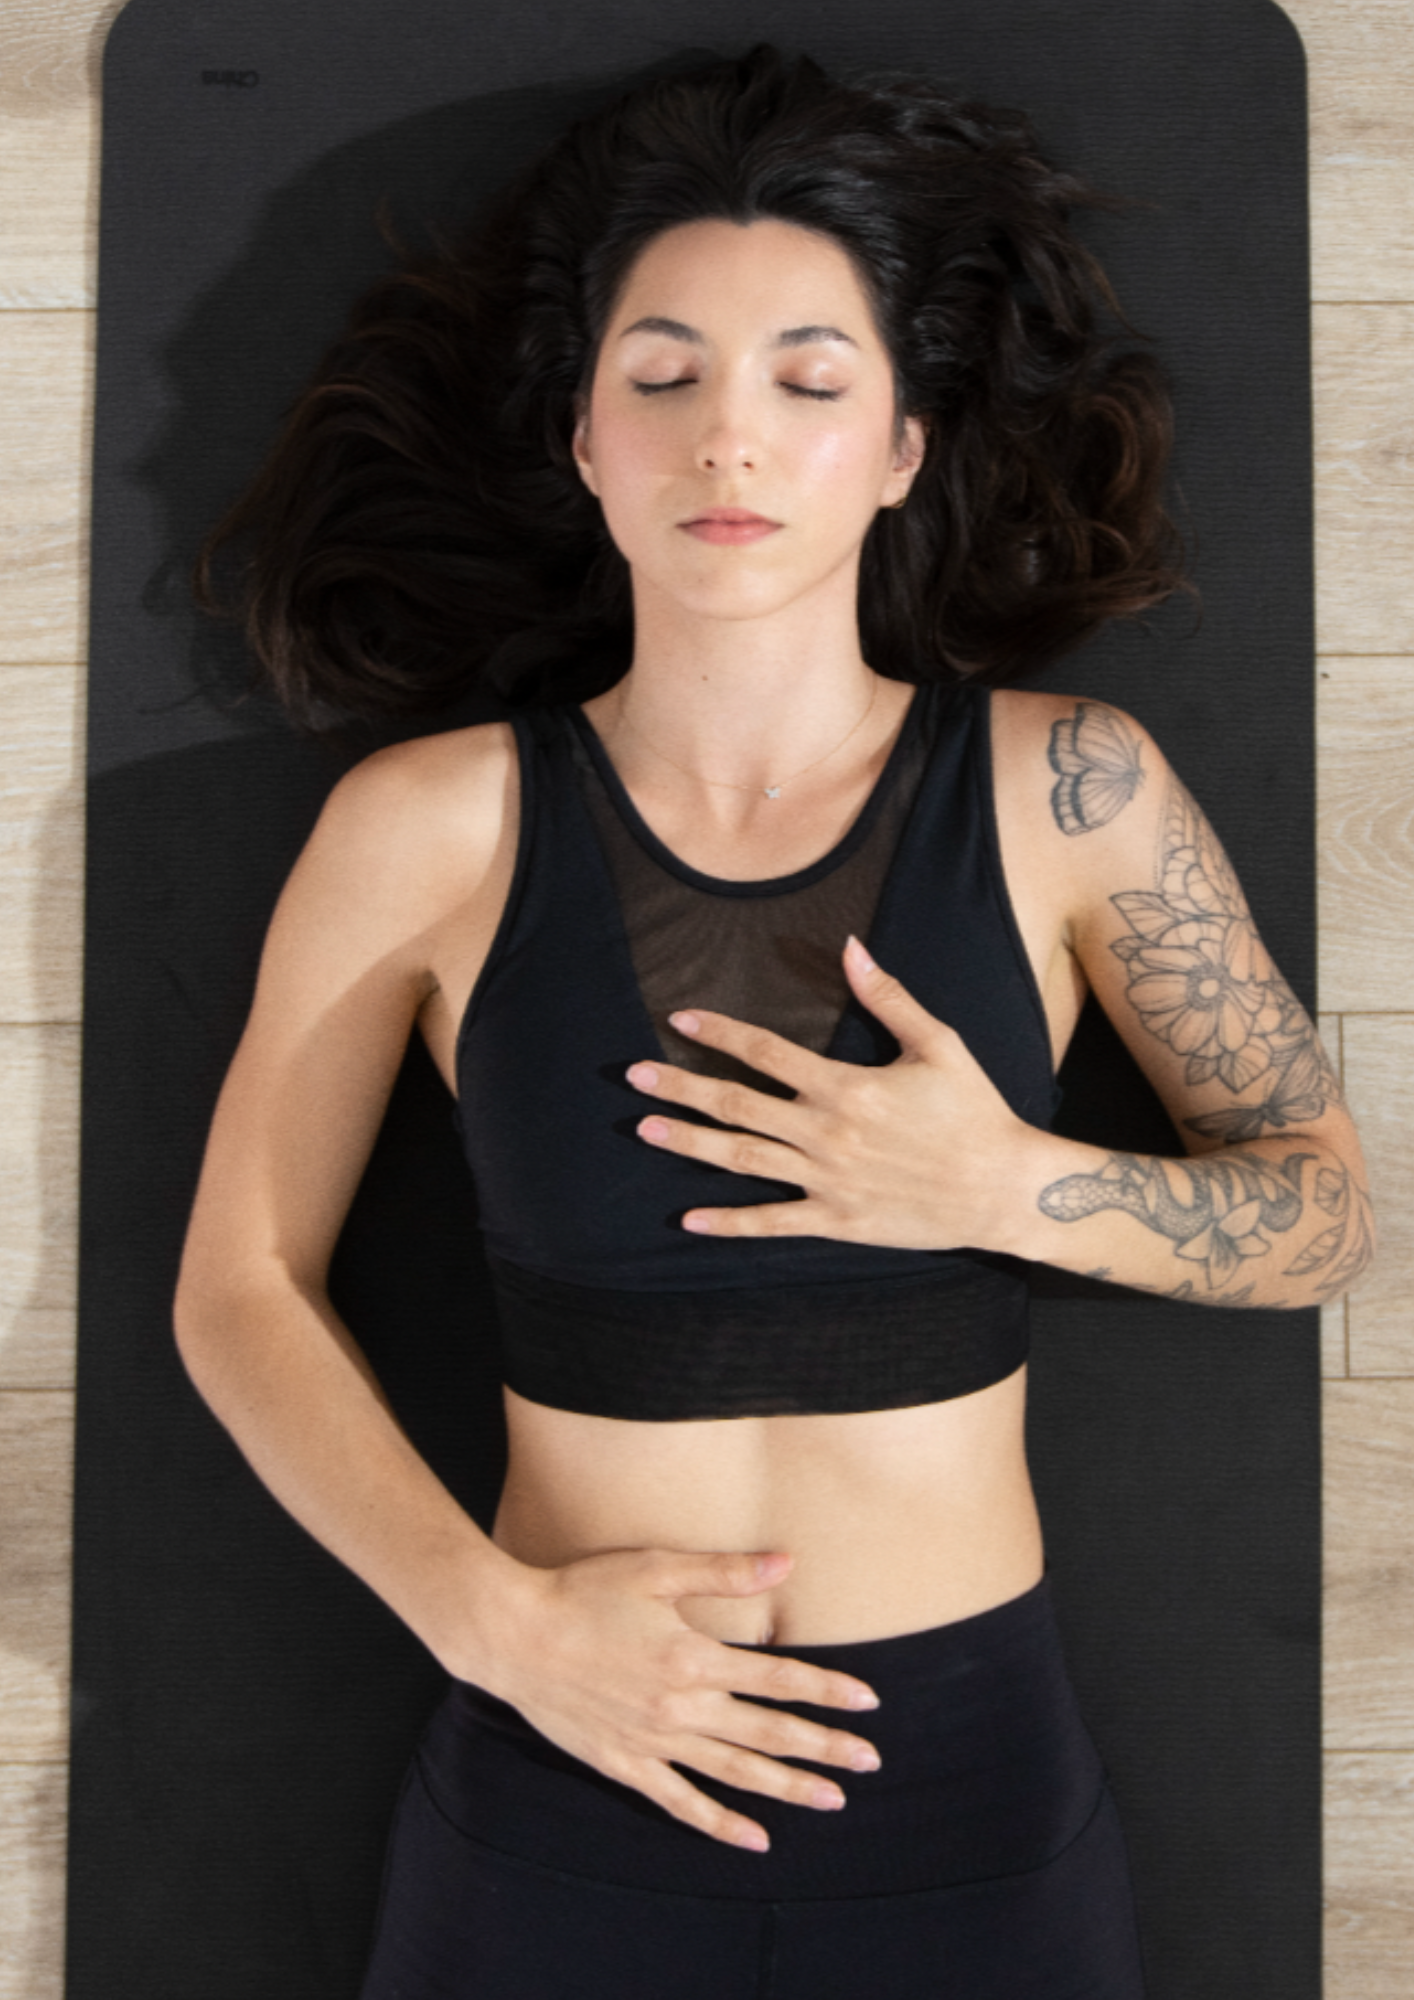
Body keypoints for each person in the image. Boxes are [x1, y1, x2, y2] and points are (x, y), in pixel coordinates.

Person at [175, 44, 1373, 1998]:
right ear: (583, 438)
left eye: (807, 383)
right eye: (662, 378)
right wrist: (486, 1621)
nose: (728, 439)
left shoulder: (1068, 790)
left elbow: (1326, 1208)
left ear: (898, 446)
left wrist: (1007, 1183)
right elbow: (235, 1285)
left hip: (969, 1796)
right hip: (559, 1759)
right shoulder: (428, 826)